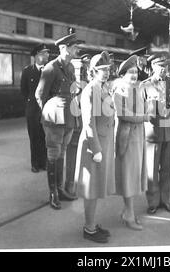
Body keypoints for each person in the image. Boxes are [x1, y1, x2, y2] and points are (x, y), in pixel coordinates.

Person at [35, 32, 81, 210]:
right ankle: (53, 192)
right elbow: (40, 95)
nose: (77, 49)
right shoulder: (51, 68)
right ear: (64, 48)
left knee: (62, 154)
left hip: (69, 117)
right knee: (54, 154)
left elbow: (73, 90)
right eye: (74, 47)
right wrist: (48, 114)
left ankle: (60, 189)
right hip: (54, 120)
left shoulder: (69, 68)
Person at [75, 51, 115, 243]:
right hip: (94, 146)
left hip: (102, 143)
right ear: (92, 71)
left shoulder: (103, 88)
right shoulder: (90, 90)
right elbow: (88, 122)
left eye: (107, 69)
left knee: (96, 186)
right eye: (101, 70)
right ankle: (89, 228)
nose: (105, 73)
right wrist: (96, 149)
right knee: (91, 189)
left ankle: (91, 224)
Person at [113, 55, 149, 231]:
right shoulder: (119, 90)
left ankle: (128, 211)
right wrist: (144, 117)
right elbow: (123, 114)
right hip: (127, 137)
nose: (134, 75)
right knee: (129, 175)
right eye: (130, 72)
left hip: (138, 135)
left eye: (135, 72)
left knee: (134, 174)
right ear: (123, 74)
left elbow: (145, 107)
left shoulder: (137, 89)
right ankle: (129, 214)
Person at [140, 54, 170, 215]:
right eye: (160, 66)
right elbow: (140, 110)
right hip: (153, 131)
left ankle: (166, 200)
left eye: (166, 66)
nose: (163, 69)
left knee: (168, 167)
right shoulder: (145, 85)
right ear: (153, 67)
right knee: (152, 168)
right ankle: (153, 202)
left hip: (169, 130)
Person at [64, 54, 91, 197]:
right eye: (80, 70)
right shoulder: (74, 87)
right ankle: (70, 186)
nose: (82, 73)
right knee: (72, 156)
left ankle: (75, 186)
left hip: (82, 126)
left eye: (84, 70)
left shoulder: (84, 85)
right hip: (75, 126)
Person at [20, 43, 49, 173]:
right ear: (37, 55)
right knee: (34, 137)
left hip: (46, 110)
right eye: (44, 53)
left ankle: (44, 163)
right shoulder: (27, 71)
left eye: (47, 53)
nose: (47, 55)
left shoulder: (49, 70)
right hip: (32, 111)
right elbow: (24, 91)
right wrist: (31, 104)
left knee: (45, 137)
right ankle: (35, 164)